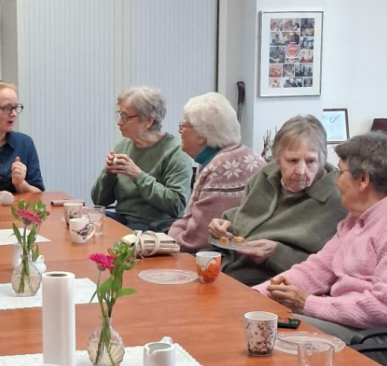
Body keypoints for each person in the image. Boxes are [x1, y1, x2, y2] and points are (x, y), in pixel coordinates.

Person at [253, 133, 387, 343]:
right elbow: (318, 269)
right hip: (355, 323)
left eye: (340, 172)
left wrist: (308, 304)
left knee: (274, 333)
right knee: (257, 322)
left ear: (363, 179)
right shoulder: (361, 215)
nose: (336, 181)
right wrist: (251, 296)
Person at [208, 115, 347, 286]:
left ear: (322, 160)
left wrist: (277, 254)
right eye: (293, 161)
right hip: (228, 267)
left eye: (311, 161)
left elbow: (334, 268)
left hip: (273, 282)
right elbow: (244, 216)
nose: (301, 170)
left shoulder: (338, 199)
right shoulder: (264, 178)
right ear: (278, 158)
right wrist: (223, 226)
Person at [167, 92, 263, 252]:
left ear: (202, 135)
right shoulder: (224, 156)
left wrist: (170, 239)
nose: (180, 131)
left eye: (183, 126)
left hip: (227, 256)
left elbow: (197, 240)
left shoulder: (222, 167)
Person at [90, 86, 193, 230]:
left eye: (125, 116)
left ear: (148, 121)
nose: (119, 122)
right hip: (122, 220)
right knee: (85, 223)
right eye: (120, 115)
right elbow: (99, 201)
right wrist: (108, 173)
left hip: (153, 226)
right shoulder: (123, 146)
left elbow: (177, 205)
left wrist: (137, 175)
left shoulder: (175, 152)